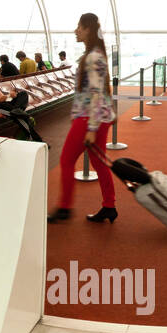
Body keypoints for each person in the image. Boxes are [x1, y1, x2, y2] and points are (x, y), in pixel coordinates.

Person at [48, 12, 118, 223]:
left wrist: (91, 128)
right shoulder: (95, 54)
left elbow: (96, 93)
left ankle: (65, 207)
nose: (76, 30)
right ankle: (109, 205)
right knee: (99, 163)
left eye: (79, 26)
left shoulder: (93, 57)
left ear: (88, 29)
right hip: (94, 117)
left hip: (90, 118)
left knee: (66, 160)